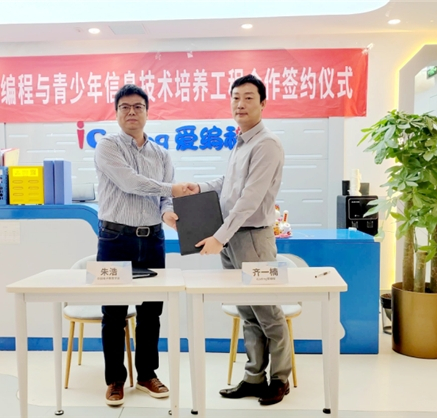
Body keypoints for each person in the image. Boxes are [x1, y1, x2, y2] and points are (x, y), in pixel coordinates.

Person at [189, 74, 291, 406]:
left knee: (267, 312)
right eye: (235, 98)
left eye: (248, 98)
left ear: (263, 103)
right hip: (233, 238)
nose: (240, 104)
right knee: (247, 311)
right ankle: (253, 377)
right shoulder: (241, 141)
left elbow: (249, 200)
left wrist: (218, 237)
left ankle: (280, 379)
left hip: (253, 238)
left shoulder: (266, 144)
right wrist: (199, 188)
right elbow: (229, 184)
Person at [94, 84, 191, 406]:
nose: (131, 112)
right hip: (115, 239)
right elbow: (130, 183)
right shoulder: (107, 146)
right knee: (114, 313)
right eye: (125, 107)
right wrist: (172, 189)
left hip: (152, 239)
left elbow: (164, 197)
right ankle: (115, 380)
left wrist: (167, 213)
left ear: (147, 112)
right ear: (116, 113)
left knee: (152, 311)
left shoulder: (161, 154)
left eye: (138, 106)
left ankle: (147, 374)